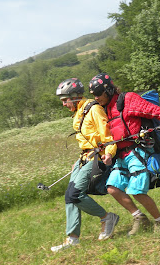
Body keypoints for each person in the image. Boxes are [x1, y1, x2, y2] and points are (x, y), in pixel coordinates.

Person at [89, 73, 160, 236]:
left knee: (136, 191)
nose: (96, 98)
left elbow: (152, 110)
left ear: (108, 90)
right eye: (94, 95)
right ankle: (139, 218)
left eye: (99, 93)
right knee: (112, 187)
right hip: (120, 156)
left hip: (138, 152)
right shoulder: (103, 109)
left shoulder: (127, 100)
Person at [51, 78, 119, 252]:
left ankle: (106, 218)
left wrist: (109, 154)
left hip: (100, 157)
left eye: (65, 100)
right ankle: (72, 238)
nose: (64, 104)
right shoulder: (79, 112)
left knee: (75, 193)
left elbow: (108, 136)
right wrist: (77, 162)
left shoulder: (94, 109)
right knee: (69, 196)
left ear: (74, 96)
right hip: (84, 158)